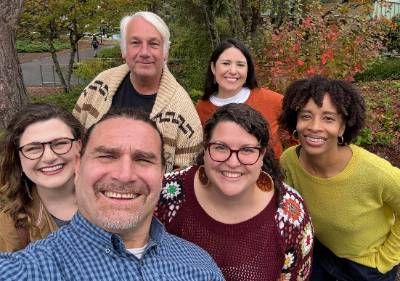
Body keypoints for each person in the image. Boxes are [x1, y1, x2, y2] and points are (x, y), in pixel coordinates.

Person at [0, 108, 224, 281]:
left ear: (162, 173)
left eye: (143, 159)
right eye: (106, 156)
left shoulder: (200, 267)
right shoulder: (31, 269)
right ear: (78, 165)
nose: (125, 175)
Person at [156, 103, 314, 281]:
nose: (232, 162)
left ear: (262, 155)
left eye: (247, 150)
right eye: (221, 147)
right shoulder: (167, 195)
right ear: (206, 150)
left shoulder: (290, 215)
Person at [279, 75, 400, 281]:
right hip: (319, 253)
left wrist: (385, 259)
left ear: (343, 127)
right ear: (295, 121)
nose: (314, 126)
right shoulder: (290, 161)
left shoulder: (377, 173)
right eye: (306, 116)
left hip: (366, 267)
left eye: (328, 118)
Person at [73, 11, 202, 172]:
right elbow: (73, 141)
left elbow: (185, 177)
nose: (144, 52)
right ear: (124, 51)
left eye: (153, 44)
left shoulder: (182, 113)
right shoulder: (99, 87)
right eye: (135, 43)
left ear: (165, 53)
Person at [0, 103, 83, 252]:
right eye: (33, 148)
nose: (49, 157)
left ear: (79, 146)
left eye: (60, 143)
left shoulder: (116, 200)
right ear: (18, 158)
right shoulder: (10, 226)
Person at [196, 38, 292, 158]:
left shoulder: (273, 100)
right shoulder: (201, 109)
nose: (233, 71)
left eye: (240, 65)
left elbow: (300, 128)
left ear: (248, 70)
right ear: (213, 67)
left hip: (270, 175)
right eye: (226, 63)